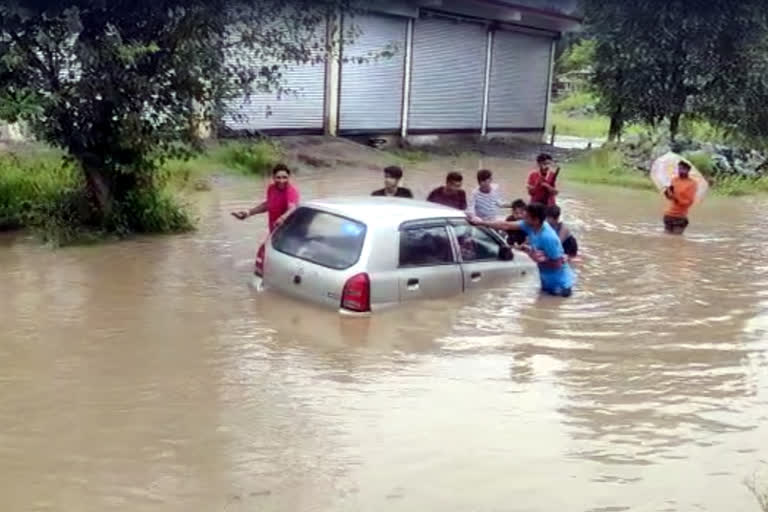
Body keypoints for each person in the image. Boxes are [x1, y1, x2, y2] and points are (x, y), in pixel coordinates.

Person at [471, 202, 575, 297]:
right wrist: (482, 223)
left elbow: (557, 264)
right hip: (546, 281)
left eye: (527, 217)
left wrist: (533, 257)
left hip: (560, 286)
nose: (523, 218)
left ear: (536, 220)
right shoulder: (530, 225)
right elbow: (505, 225)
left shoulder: (548, 237)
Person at [231, 163, 300, 232]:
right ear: (273, 177)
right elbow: (268, 205)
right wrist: (248, 213)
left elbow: (292, 208)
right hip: (274, 231)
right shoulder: (271, 188)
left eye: (284, 177)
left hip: (288, 232)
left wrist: (282, 218)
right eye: (278, 177)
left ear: (289, 177)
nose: (281, 181)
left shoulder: (291, 191)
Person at [663, 161, 698, 234]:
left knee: (676, 240)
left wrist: (676, 198)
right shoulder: (674, 180)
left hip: (680, 216)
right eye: (679, 169)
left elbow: (689, 202)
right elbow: (670, 198)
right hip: (669, 215)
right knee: (667, 239)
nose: (679, 171)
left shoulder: (692, 183)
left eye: (682, 169)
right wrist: (667, 193)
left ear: (688, 170)